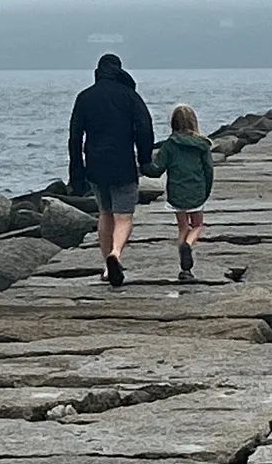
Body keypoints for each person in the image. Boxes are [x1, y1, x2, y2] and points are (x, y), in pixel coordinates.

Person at [68, 54, 155, 289]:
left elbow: (75, 137)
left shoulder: (85, 97)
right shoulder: (130, 96)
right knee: (124, 216)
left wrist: (76, 171)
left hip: (95, 165)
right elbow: (145, 127)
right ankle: (115, 255)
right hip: (124, 163)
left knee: (105, 213)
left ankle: (107, 268)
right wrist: (145, 159)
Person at [149, 103, 214, 282]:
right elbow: (208, 170)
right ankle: (188, 245)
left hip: (177, 192)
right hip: (197, 190)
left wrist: (144, 164)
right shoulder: (202, 144)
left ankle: (184, 267)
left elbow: (158, 168)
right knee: (198, 225)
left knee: (183, 227)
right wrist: (206, 190)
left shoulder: (170, 145)